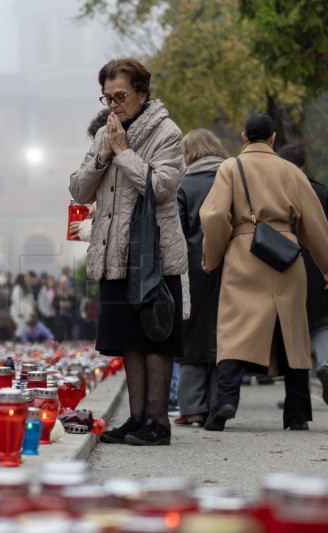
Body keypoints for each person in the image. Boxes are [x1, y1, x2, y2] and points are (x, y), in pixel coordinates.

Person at [69, 57, 187, 446]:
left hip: (153, 253)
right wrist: (104, 154)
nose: (113, 105)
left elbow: (162, 187)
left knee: (155, 338)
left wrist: (123, 153)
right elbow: (79, 190)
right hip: (114, 253)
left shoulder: (167, 132)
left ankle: (158, 422)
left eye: (120, 96)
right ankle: (137, 420)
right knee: (129, 342)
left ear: (142, 92)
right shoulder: (106, 132)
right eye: (107, 98)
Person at [200, 113, 328, 431]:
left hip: (245, 251)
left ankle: (225, 402)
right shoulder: (290, 170)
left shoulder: (231, 167)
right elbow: (315, 223)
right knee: (292, 333)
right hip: (286, 253)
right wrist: (326, 265)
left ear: (244, 137)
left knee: (235, 329)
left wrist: (212, 258)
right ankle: (296, 413)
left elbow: (214, 215)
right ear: (273, 138)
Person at [174, 129, 230, 426]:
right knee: (224, 333)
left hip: (194, 265)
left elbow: (178, 232)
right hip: (231, 265)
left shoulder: (185, 184)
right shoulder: (232, 179)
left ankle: (192, 407)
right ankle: (217, 403)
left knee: (193, 334)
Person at [277, 143, 328, 404]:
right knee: (321, 325)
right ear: (304, 165)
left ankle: (296, 398)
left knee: (292, 333)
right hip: (319, 269)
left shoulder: (272, 193)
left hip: (285, 268)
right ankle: (325, 363)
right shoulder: (321, 192)